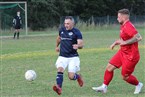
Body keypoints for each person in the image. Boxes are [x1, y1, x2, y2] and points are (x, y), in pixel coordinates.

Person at [92, 9, 143, 94]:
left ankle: (138, 85)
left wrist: (125, 42)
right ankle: (104, 87)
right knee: (109, 68)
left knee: (125, 77)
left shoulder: (128, 26)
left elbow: (139, 37)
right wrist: (116, 42)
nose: (117, 18)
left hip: (131, 56)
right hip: (122, 52)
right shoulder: (123, 25)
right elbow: (124, 38)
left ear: (124, 17)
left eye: (118, 17)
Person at [53, 16, 84, 95]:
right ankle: (59, 88)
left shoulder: (77, 32)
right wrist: (57, 46)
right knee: (60, 69)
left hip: (73, 57)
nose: (66, 25)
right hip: (62, 56)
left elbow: (81, 44)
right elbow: (59, 38)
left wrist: (78, 46)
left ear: (72, 24)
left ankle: (78, 77)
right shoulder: (62, 30)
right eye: (65, 23)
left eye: (68, 24)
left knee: (71, 76)